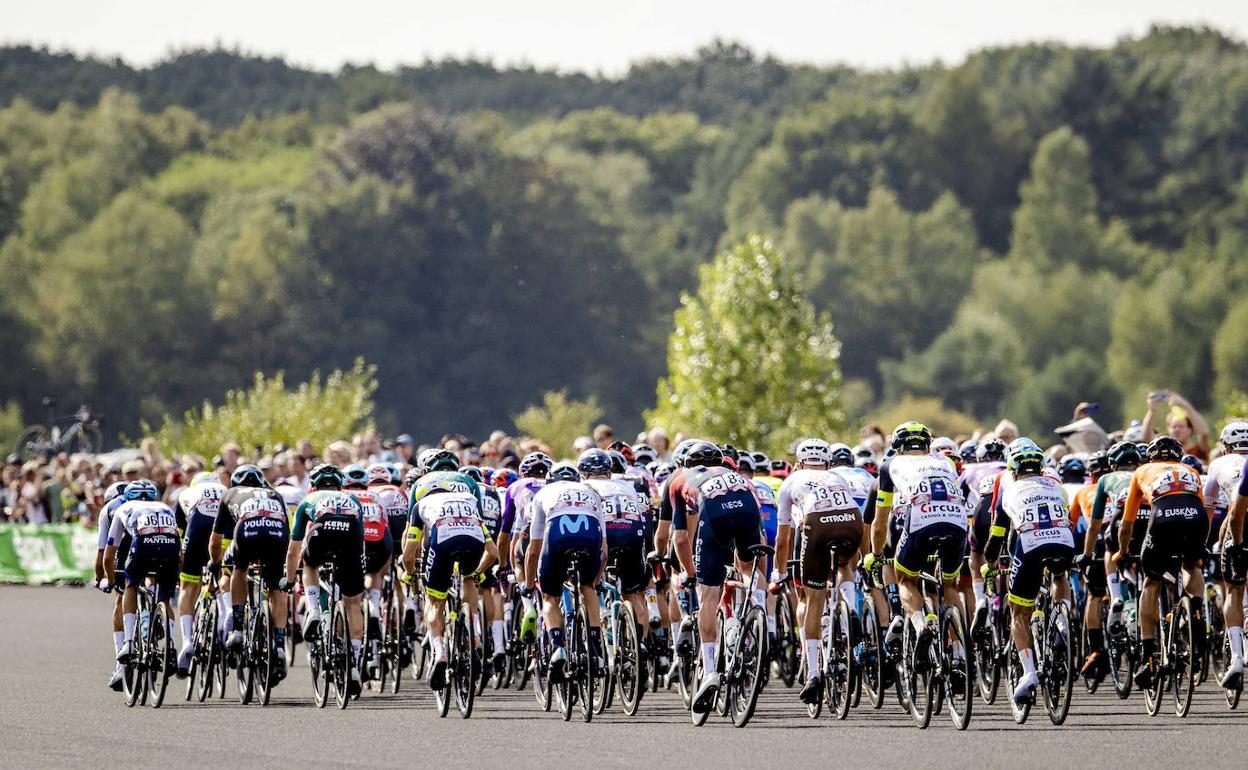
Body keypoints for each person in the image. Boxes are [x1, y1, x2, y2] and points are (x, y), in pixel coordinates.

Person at [981, 439, 1076, 704]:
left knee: (1018, 611)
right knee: (1059, 574)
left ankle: (1028, 674)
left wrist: (990, 563)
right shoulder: (1057, 486)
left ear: (1013, 468)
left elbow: (996, 536)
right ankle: (1062, 620)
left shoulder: (1007, 488)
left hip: (1030, 544)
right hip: (1064, 541)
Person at [1114, 435, 1211, 690]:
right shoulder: (1190, 470)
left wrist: (1121, 551)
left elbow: (1127, 523)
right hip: (1195, 517)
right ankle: (1197, 613)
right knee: (1191, 566)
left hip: (1163, 518)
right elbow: (1202, 509)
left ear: (1150, 457)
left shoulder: (1141, 471)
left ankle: (1149, 657)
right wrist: (1199, 547)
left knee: (1151, 581)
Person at [672, 441, 763, 713]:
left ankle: (710, 669)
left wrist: (690, 573)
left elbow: (680, 538)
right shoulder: (737, 475)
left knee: (708, 593)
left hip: (714, 518)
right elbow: (759, 535)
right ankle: (752, 611)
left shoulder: (680, 479)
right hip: (747, 510)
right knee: (746, 567)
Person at [866, 422, 967, 661]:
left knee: (906, 580)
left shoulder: (890, 465)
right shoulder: (946, 461)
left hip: (920, 521)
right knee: (950, 586)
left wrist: (877, 555)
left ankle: (922, 625)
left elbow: (880, 523)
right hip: (957, 521)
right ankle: (960, 655)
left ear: (897, 447)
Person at [775, 439, 865, 704]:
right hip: (851, 521)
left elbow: (783, 540)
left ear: (799, 463)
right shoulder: (837, 476)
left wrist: (780, 574)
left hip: (815, 525)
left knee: (814, 600)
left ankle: (814, 673)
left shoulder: (791, 481)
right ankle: (850, 608)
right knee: (845, 564)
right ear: (827, 462)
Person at [403, 455, 497, 691]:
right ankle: (474, 638)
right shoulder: (468, 487)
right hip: (472, 534)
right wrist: (477, 573)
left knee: (434, 600)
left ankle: (440, 652)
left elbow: (408, 549)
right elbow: (493, 552)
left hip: (439, 539)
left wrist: (410, 574)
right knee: (468, 581)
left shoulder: (420, 496)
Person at [523, 462, 607, 684]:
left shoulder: (542, 493)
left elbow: (533, 549)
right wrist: (595, 580)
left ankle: (558, 646)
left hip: (557, 534)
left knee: (550, 596)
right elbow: (604, 551)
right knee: (587, 587)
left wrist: (530, 585)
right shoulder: (591, 492)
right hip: (590, 535)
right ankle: (596, 650)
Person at [286, 464, 367, 696]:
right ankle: (354, 664)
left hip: (321, 535)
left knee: (309, 562)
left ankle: (313, 610)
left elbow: (293, 551)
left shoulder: (308, 499)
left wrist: (289, 580)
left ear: (314, 484)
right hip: (351, 541)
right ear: (339, 484)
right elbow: (360, 539)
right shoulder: (352, 499)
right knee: (353, 604)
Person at [211, 464, 292, 679]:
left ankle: (237, 628)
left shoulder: (230, 493)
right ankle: (280, 644)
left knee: (239, 568)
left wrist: (214, 562)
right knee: (274, 587)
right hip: (278, 533)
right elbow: (288, 528)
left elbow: (216, 539)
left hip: (248, 530)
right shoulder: (275, 493)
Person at [104, 480, 184, 666]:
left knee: (130, 585)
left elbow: (109, 554)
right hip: (170, 546)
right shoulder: (165, 507)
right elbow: (180, 556)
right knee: (164, 599)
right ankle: (170, 648)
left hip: (143, 542)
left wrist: (110, 580)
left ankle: (129, 643)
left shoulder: (124, 507)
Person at [172, 471, 226, 677]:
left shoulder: (186, 492)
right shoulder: (226, 490)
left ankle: (187, 641)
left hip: (197, 528)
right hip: (224, 531)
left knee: (187, 586)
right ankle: (223, 621)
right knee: (223, 575)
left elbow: (178, 534)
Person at [1208, 422, 1248, 686]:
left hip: (1239, 522)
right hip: (1238, 516)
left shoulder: (1218, 464)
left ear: (1225, 447)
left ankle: (1235, 658)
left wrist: (1210, 544)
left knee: (1233, 590)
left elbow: (1210, 507)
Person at [498, 451, 552, 643]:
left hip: (529, 531)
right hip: (554, 530)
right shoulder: (553, 484)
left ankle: (527, 602)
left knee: (518, 558)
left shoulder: (515, 487)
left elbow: (505, 534)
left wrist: (503, 565)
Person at [1142, 390, 1212, 463]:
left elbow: (1204, 433)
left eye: (1181, 426)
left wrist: (1185, 405)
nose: (1177, 430)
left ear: (1190, 429)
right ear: (1168, 429)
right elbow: (1146, 438)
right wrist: (1151, 410)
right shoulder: (1163, 450)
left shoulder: (1199, 450)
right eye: (1174, 427)